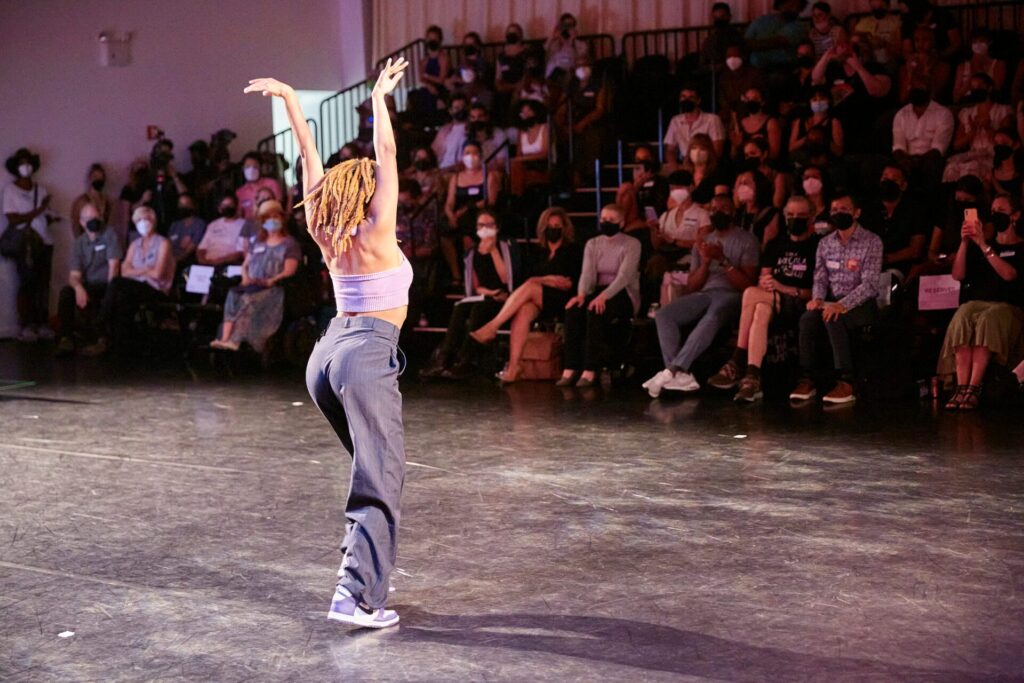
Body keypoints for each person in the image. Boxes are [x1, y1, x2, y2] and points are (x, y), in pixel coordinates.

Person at [245, 57, 411, 629]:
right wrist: (382, 99)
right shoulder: (376, 228)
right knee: (380, 475)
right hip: (365, 354)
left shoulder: (324, 226)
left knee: (375, 469)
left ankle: (361, 568)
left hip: (328, 356)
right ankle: (356, 596)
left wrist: (293, 100)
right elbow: (386, 155)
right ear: (366, 190)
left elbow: (309, 158)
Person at [645, 194, 759, 397]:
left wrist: (722, 259)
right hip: (705, 293)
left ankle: (673, 370)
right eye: (713, 209)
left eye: (723, 208)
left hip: (733, 295)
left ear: (733, 212)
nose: (717, 213)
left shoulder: (747, 239)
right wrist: (706, 262)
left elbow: (748, 285)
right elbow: (691, 286)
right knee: (664, 314)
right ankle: (681, 375)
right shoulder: (704, 241)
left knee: (712, 316)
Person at [708, 195, 818, 401]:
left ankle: (737, 360)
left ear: (811, 217)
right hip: (770, 299)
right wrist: (767, 284)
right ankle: (752, 377)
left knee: (750, 294)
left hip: (799, 300)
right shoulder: (776, 244)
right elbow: (763, 278)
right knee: (758, 307)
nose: (795, 219)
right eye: (791, 215)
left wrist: (783, 287)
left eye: (801, 215)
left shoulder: (817, 246)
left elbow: (816, 292)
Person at [789, 194, 883, 405]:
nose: (838, 214)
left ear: (856, 213)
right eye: (834, 210)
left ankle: (846, 381)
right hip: (831, 300)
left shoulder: (872, 241)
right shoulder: (825, 243)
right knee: (807, 319)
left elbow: (869, 285)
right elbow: (820, 277)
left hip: (861, 303)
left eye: (844, 209)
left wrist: (842, 305)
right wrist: (818, 298)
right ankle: (807, 378)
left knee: (833, 317)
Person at [470, 208, 581, 383]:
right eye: (550, 225)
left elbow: (567, 282)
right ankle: (514, 367)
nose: (553, 229)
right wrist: (547, 279)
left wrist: (540, 280)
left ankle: (492, 327)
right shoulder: (539, 252)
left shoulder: (572, 250)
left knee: (530, 287)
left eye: (557, 226)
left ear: (564, 228)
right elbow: (529, 278)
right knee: (523, 311)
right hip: (540, 300)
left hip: (564, 299)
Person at [938, 195, 1023, 410]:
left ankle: (973, 388)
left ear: (1015, 216)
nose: (995, 214)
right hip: (977, 303)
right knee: (964, 313)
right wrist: (965, 243)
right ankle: (961, 387)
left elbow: (1010, 275)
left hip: (1008, 307)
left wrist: (984, 245)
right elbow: (957, 275)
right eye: (993, 209)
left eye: (1001, 209)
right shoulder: (980, 247)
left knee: (989, 317)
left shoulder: (1020, 247)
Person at [420, 209, 515, 380]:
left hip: (504, 298)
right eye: (481, 225)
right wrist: (489, 292)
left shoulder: (504, 247)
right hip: (486, 294)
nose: (485, 228)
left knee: (479, 309)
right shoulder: (472, 252)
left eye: (489, 225)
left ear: (496, 227)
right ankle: (444, 358)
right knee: (460, 308)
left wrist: (493, 250)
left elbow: (506, 278)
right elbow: (476, 287)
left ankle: (466, 359)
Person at [558, 204, 640, 388]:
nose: (606, 223)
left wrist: (604, 296)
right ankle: (570, 367)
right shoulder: (593, 244)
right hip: (597, 290)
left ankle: (590, 369)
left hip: (623, 292)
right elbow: (587, 273)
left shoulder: (632, 244)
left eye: (611, 220)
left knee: (595, 311)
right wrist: (581, 295)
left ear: (621, 222)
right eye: (603, 219)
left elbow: (624, 277)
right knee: (573, 309)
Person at [210, 200, 300, 352]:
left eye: (275, 217)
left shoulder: (289, 244)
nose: (272, 221)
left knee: (247, 300)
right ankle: (225, 338)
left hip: (272, 289)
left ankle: (236, 340)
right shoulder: (258, 242)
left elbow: (289, 270)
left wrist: (272, 280)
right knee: (232, 296)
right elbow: (246, 264)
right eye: (267, 218)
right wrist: (245, 277)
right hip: (252, 284)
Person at [89, 206, 174, 355]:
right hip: (135, 287)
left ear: (153, 221)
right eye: (139, 220)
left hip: (156, 289)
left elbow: (157, 274)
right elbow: (124, 271)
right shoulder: (135, 245)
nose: (142, 223)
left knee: (117, 283)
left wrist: (137, 271)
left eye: (145, 219)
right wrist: (146, 269)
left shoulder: (163, 243)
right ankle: (119, 343)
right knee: (122, 296)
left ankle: (100, 323)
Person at [3, 147, 59, 342]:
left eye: (28, 163)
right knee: (27, 283)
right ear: (15, 167)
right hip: (25, 243)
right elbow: (13, 219)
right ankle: (25, 325)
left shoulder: (40, 189)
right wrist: (39, 210)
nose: (25, 167)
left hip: (44, 241)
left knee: (43, 284)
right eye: (21, 163)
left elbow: (44, 215)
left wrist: (50, 216)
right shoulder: (10, 190)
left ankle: (42, 323)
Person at [56, 202, 122, 355]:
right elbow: (74, 275)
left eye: (96, 217)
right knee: (67, 292)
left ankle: (102, 339)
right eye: (88, 218)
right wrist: (78, 288)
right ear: (81, 222)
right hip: (88, 283)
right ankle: (66, 338)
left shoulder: (109, 234)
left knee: (110, 295)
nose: (93, 220)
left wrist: (110, 292)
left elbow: (114, 268)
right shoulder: (79, 243)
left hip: (107, 283)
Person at [858, 164, 928, 280]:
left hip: (899, 268)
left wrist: (885, 259)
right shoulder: (868, 208)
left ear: (904, 185)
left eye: (894, 179)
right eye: (885, 178)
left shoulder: (915, 210)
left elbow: (915, 250)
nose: (888, 182)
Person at [943, 73, 1013, 184]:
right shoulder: (966, 113)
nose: (976, 90)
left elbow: (1006, 143)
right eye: (973, 87)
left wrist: (988, 128)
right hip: (973, 153)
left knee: (974, 167)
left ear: (989, 87)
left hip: (993, 156)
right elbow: (956, 145)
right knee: (952, 167)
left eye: (980, 86)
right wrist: (971, 133)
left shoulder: (1003, 111)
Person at [892, 81, 953, 194]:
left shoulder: (943, 114)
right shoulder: (901, 114)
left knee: (931, 165)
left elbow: (938, 148)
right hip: (907, 160)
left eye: (921, 90)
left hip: (930, 160)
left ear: (930, 93)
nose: (917, 93)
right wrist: (906, 161)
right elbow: (898, 146)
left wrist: (918, 162)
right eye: (914, 89)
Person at [664, 85, 726, 165]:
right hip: (685, 165)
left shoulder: (712, 119)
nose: (686, 100)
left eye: (691, 97)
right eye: (683, 97)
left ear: (698, 100)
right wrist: (675, 167)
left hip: (707, 165)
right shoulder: (675, 121)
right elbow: (670, 150)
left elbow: (717, 150)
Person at [743, 0, 808, 72]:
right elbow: (745, 42)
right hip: (755, 70)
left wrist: (753, 44)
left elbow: (775, 42)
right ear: (780, 4)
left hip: (785, 70)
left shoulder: (797, 26)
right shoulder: (761, 21)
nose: (794, 8)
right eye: (790, 4)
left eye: (796, 6)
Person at [789, 85, 844, 162]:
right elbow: (791, 148)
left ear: (829, 101)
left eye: (822, 99)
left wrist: (822, 139)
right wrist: (808, 138)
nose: (818, 102)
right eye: (814, 99)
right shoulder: (800, 121)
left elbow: (839, 151)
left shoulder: (834, 122)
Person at [951, 29, 1007, 104]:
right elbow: (956, 98)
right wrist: (970, 82)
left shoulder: (999, 64)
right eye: (974, 42)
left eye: (981, 41)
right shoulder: (962, 66)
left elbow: (996, 91)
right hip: (965, 105)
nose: (978, 44)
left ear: (989, 43)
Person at [196, 193, 251, 267]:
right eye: (224, 205)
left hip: (228, 265)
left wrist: (218, 262)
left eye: (230, 205)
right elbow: (201, 249)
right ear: (219, 209)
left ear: (236, 206)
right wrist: (203, 261)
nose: (227, 207)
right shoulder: (213, 224)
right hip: (207, 264)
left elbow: (240, 252)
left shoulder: (245, 224)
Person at [729, 86, 783, 161]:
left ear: (762, 102)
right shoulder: (740, 123)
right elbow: (733, 155)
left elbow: (774, 155)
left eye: (754, 99)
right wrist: (736, 146)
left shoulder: (771, 123)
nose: (750, 101)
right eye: (747, 99)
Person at [510, 100, 550, 196]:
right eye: (523, 113)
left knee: (517, 167)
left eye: (529, 112)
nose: (526, 115)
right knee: (516, 168)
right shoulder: (521, 132)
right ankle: (517, 198)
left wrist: (524, 158)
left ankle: (517, 199)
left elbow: (544, 153)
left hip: (542, 165)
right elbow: (518, 154)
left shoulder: (545, 128)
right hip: (525, 166)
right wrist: (522, 159)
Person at [852, 0, 901, 67]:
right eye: (874, 8)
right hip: (869, 60)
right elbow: (853, 40)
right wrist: (865, 39)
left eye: (880, 7)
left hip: (889, 60)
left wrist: (884, 44)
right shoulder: (864, 22)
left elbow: (900, 48)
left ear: (887, 6)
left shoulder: (895, 22)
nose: (877, 10)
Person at [70, 164, 112, 237]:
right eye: (95, 177)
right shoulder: (81, 201)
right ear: (90, 178)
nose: (98, 180)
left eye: (101, 178)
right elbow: (75, 226)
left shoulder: (107, 202)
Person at [237, 151, 282, 220]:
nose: (251, 170)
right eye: (248, 166)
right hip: (249, 227)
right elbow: (239, 216)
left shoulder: (272, 184)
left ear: (260, 167)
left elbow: (279, 207)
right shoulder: (240, 192)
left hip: (270, 224)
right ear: (243, 169)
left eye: (255, 166)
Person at [545, 13, 589, 81]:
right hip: (554, 76)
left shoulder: (581, 45)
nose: (569, 28)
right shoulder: (553, 43)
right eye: (566, 25)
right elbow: (545, 57)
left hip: (572, 75)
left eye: (572, 25)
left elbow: (579, 62)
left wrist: (571, 42)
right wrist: (553, 37)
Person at [431, 94, 470, 170]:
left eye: (463, 107)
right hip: (441, 169)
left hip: (458, 171)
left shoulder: (471, 129)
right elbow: (433, 152)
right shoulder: (445, 129)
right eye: (457, 108)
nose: (461, 110)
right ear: (450, 111)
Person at [701, 2, 744, 71]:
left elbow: (740, 59)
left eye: (722, 17)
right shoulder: (710, 39)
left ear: (729, 16)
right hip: (711, 73)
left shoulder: (735, 36)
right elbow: (703, 63)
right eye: (716, 18)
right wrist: (710, 67)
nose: (719, 21)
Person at [167, 193, 207, 266]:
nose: (183, 207)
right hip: (170, 259)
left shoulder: (199, 223)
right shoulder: (175, 225)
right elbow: (169, 245)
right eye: (181, 204)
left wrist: (175, 260)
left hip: (186, 262)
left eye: (187, 204)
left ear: (193, 205)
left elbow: (190, 249)